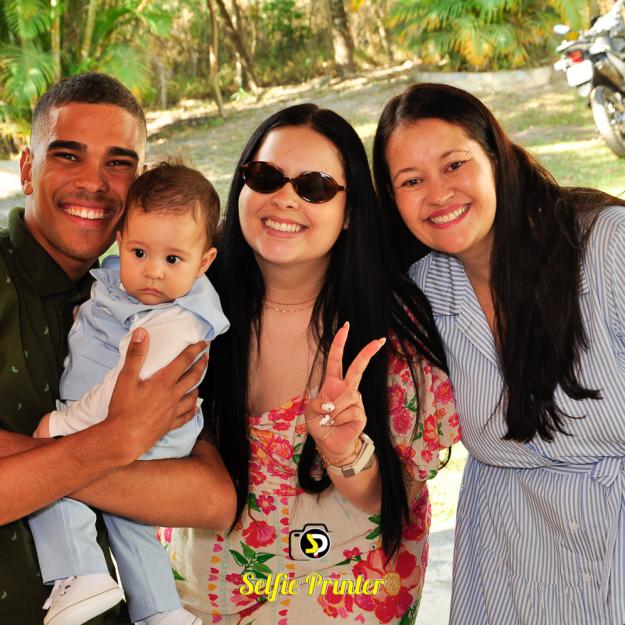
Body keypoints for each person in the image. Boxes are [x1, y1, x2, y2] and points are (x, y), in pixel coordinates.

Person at [164, 103, 461, 624]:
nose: (285, 198)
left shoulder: (391, 331)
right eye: (265, 176)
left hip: (340, 590)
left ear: (350, 213)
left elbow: (386, 502)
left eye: (315, 187)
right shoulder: (185, 300)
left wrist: (346, 453)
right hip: (196, 595)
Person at [373, 82, 625, 625]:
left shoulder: (606, 245)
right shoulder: (423, 291)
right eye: (411, 181)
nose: (438, 194)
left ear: (495, 156)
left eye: (454, 164)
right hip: (510, 559)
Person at [0, 73, 235, 625]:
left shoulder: (161, 305)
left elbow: (211, 498)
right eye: (68, 155)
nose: (94, 183)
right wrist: (115, 442)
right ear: (28, 170)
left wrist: (35, 462)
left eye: (119, 163)